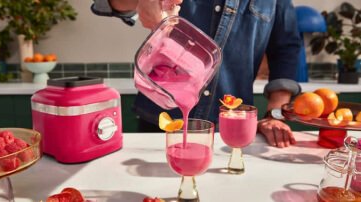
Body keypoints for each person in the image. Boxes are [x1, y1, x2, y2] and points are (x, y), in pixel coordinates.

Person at [91, 0, 302, 148]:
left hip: (230, 128)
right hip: (162, 122)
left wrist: (274, 114)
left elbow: (286, 48)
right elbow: (107, 3)